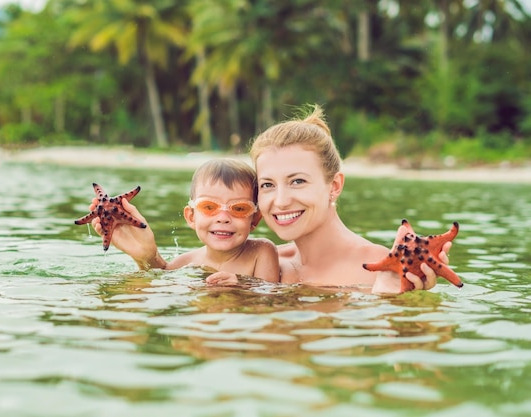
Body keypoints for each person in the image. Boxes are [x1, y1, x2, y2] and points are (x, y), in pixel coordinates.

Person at [90, 105, 450, 294]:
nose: (279, 201)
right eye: (267, 185)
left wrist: (390, 298)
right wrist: (148, 258)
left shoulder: (380, 266)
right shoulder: (264, 258)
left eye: (297, 181)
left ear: (334, 186)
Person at [88, 158, 280, 286]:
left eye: (239, 208)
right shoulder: (187, 262)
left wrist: (242, 285)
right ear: (191, 217)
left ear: (254, 219)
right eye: (209, 207)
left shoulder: (261, 252)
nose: (223, 218)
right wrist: (146, 255)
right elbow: (158, 280)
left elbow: (271, 298)